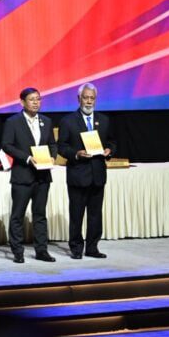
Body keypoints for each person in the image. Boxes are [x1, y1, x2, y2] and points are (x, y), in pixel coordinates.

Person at [58, 82, 114, 259]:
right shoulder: (68, 121)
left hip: (98, 174)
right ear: (79, 99)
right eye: (86, 97)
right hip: (78, 174)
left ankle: (92, 247)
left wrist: (109, 150)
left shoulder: (104, 120)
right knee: (76, 214)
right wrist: (76, 153)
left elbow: (112, 142)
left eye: (92, 98)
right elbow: (62, 147)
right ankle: (76, 248)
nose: (89, 101)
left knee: (95, 215)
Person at [0, 87, 57, 263]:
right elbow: (7, 145)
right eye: (32, 99)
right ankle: (18, 251)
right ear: (22, 102)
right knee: (18, 215)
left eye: (38, 99)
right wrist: (27, 158)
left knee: (40, 215)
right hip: (22, 175)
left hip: (42, 176)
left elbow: (52, 144)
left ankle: (42, 250)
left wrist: (53, 158)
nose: (35, 102)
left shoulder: (46, 121)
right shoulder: (13, 122)